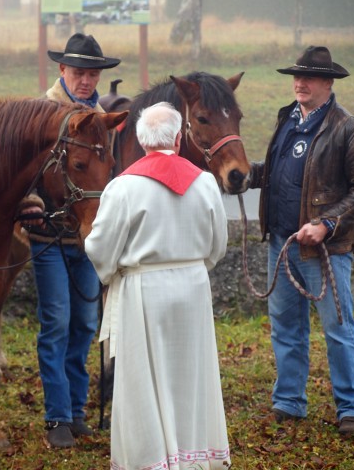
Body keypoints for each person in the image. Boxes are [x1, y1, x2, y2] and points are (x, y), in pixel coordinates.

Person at [85, 102, 231, 469]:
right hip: (193, 286)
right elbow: (218, 244)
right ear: (179, 139)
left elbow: (100, 248)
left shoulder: (123, 187)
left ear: (139, 139)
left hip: (143, 290)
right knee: (190, 372)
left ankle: (151, 458)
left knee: (144, 377)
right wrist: (194, 266)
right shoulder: (206, 183)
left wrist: (115, 269)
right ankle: (195, 454)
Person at [249, 46, 354, 437]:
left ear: (328, 82)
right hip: (282, 243)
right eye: (296, 76)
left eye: (308, 77)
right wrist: (243, 174)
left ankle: (352, 408)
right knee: (286, 327)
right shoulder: (286, 119)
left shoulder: (349, 129)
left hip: (325, 249)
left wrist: (327, 222)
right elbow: (274, 173)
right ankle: (289, 401)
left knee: (339, 328)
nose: (299, 83)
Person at [17, 33, 120, 448]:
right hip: (47, 238)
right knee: (56, 322)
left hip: (87, 241)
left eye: (92, 74)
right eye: (78, 72)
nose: (85, 80)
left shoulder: (100, 117)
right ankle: (57, 416)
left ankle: (77, 411)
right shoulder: (40, 115)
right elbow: (19, 170)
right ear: (62, 71)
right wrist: (28, 199)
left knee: (84, 324)